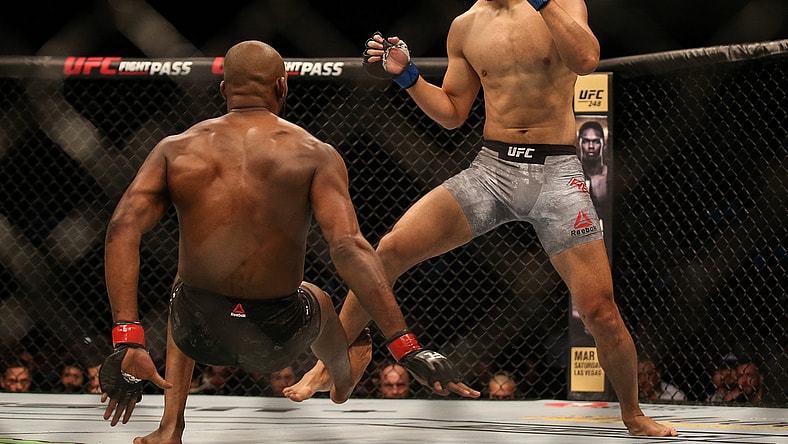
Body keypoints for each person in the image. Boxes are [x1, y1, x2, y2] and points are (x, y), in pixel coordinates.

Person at [294, 0, 676, 437]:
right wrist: (408, 77)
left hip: (557, 173)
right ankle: (336, 357)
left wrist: (545, 5)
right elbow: (454, 112)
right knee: (390, 248)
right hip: (492, 169)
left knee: (600, 311)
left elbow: (587, 60)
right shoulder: (465, 25)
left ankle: (632, 414)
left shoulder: (563, 4)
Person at [98, 40, 477, 443]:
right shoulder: (314, 153)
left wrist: (128, 336)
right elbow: (348, 247)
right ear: (282, 87)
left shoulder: (175, 149)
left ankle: (170, 427)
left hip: (198, 328)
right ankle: (341, 377)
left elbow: (122, 227)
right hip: (279, 332)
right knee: (320, 296)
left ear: (224, 90)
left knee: (185, 284)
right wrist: (405, 345)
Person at [576, 120, 609, 208]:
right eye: (586, 141)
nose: (591, 146)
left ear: (603, 145)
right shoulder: (572, 174)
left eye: (596, 141)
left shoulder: (610, 175)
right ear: (579, 144)